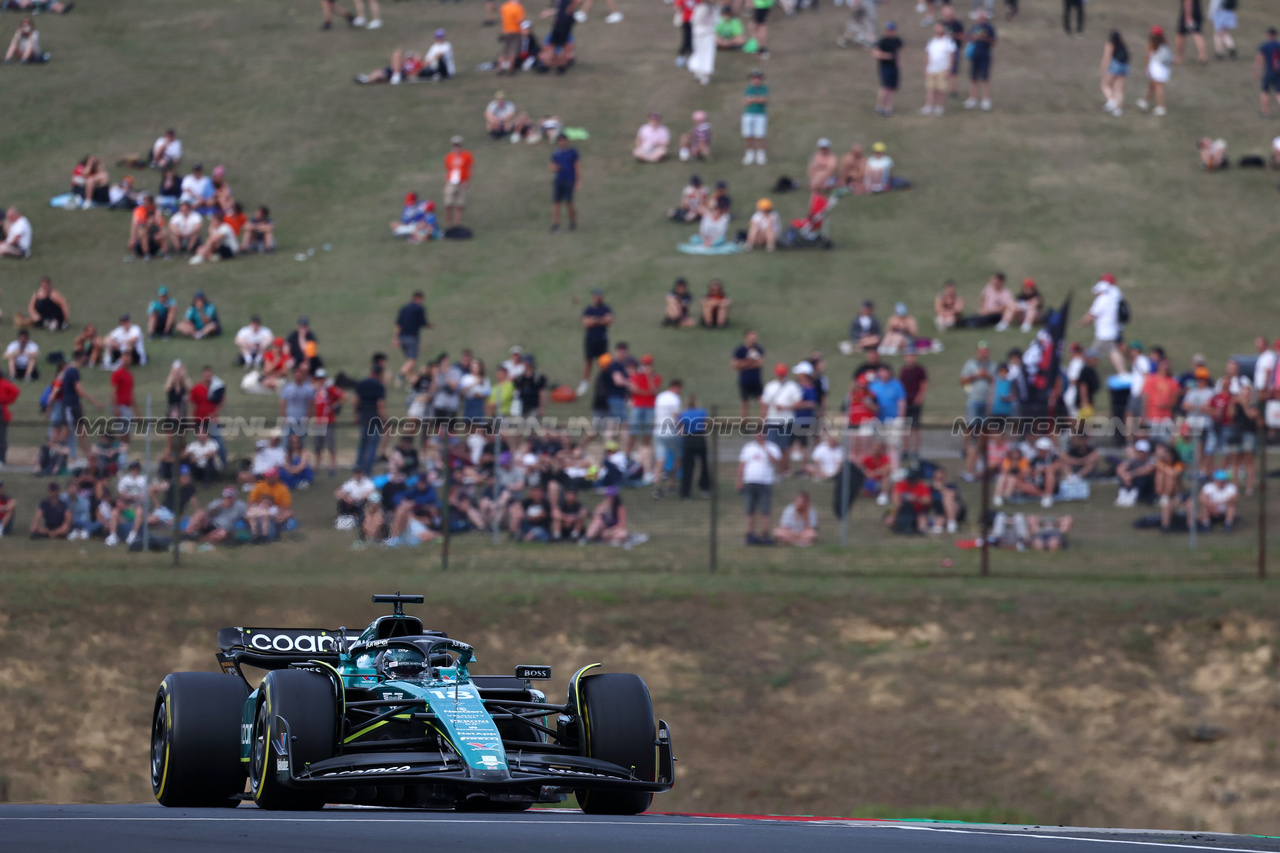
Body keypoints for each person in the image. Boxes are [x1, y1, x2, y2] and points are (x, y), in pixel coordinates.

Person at [1077, 273, 1126, 374]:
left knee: (1091, 354)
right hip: (1113, 331)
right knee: (1113, 352)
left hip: (1103, 334)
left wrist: (1081, 323)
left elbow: (1091, 315)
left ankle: (1086, 374)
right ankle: (1123, 373)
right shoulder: (1114, 297)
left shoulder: (1102, 300)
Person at [737, 431, 780, 544]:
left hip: (765, 482)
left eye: (761, 434)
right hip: (750, 481)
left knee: (765, 509)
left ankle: (765, 533)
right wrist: (739, 480)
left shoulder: (772, 447)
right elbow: (742, 465)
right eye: (757, 434)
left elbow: (775, 462)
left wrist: (765, 448)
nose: (759, 436)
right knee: (749, 509)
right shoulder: (748, 447)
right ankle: (750, 533)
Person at [354, 364, 387, 475]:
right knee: (372, 446)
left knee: (362, 444)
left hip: (364, 417)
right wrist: (384, 418)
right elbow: (380, 404)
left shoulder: (362, 383)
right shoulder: (379, 386)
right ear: (380, 374)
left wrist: (355, 415)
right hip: (375, 419)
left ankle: (358, 467)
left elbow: (356, 400)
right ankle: (367, 470)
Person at [578, 286, 610, 396]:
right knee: (588, 362)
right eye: (596, 295)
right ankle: (584, 383)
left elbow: (609, 320)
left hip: (602, 339)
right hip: (590, 339)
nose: (598, 297)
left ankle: (604, 382)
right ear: (593, 297)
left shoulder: (606, 308)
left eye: (600, 295)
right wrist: (599, 320)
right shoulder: (588, 309)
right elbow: (586, 323)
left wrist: (595, 320)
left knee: (604, 363)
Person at [394, 291, 430, 386]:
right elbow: (423, 322)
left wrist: (396, 338)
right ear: (420, 298)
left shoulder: (404, 308)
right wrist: (429, 325)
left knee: (410, 363)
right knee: (412, 360)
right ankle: (400, 374)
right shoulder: (419, 308)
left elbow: (398, 324)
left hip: (402, 338)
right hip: (412, 338)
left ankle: (412, 384)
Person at [964, 8, 997, 111]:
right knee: (973, 78)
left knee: (985, 78)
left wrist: (985, 38)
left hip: (985, 56)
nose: (980, 18)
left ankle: (986, 100)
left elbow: (994, 42)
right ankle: (972, 99)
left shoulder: (989, 28)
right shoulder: (974, 27)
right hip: (974, 56)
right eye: (979, 16)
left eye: (982, 16)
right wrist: (974, 37)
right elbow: (967, 38)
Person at [922, 21, 957, 116]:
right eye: (937, 27)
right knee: (930, 88)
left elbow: (951, 55)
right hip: (931, 68)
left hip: (942, 68)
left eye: (940, 27)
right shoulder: (932, 41)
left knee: (940, 89)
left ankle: (939, 107)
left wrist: (949, 69)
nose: (938, 29)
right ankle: (929, 106)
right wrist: (925, 67)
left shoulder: (948, 41)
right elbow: (927, 54)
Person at [1138, 26, 1173, 116]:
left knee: (1158, 86)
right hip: (1165, 68)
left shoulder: (1152, 43)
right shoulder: (1164, 43)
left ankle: (1161, 107)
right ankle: (1146, 101)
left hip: (1157, 67)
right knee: (1152, 85)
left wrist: (1146, 67)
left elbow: (1147, 56)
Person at [550, 133, 580, 234]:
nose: (562, 142)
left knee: (569, 203)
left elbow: (577, 168)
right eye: (560, 140)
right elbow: (551, 167)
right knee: (556, 203)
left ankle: (573, 221)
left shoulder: (572, 152)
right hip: (559, 180)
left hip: (569, 180)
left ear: (567, 141)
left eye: (564, 140)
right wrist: (555, 168)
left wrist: (577, 182)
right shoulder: (556, 153)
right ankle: (556, 224)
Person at [873, 21, 903, 117]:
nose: (891, 32)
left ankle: (888, 108)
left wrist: (899, 60)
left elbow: (900, 50)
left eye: (892, 30)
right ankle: (880, 106)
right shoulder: (882, 41)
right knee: (885, 88)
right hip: (885, 67)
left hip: (894, 67)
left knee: (892, 89)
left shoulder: (897, 40)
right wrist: (886, 55)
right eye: (889, 30)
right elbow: (875, 53)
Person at [732, 330, 765, 418]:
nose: (754, 339)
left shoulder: (758, 349)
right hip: (744, 379)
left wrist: (743, 364)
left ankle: (763, 422)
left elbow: (759, 363)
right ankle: (744, 421)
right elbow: (735, 365)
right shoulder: (740, 350)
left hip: (756, 379)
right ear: (746, 337)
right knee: (744, 401)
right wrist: (749, 362)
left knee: (761, 400)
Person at [443, 136, 472, 230]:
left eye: (458, 145)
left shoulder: (466, 155)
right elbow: (447, 170)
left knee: (460, 204)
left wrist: (467, 181)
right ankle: (449, 224)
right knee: (448, 204)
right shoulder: (449, 157)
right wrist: (445, 184)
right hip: (451, 182)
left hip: (462, 181)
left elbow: (469, 168)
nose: (456, 147)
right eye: (455, 145)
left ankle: (457, 224)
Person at [741, 69, 769, 165]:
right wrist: (757, 99)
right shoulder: (748, 89)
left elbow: (764, 100)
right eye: (754, 78)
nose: (756, 80)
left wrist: (753, 99)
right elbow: (745, 101)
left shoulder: (764, 88)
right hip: (748, 114)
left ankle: (760, 154)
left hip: (760, 115)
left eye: (758, 78)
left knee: (760, 135)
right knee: (748, 135)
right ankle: (749, 154)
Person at [687, 0, 718, 84]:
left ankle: (705, 74)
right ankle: (700, 71)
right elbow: (694, 20)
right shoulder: (701, 8)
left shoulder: (714, 9)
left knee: (707, 53)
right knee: (700, 52)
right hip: (700, 34)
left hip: (707, 34)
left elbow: (716, 22)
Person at [1256, 28, 1280, 118]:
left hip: (1269, 72)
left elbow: (1260, 60)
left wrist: (1257, 71)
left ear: (1268, 35)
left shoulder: (1265, 46)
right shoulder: (1279, 45)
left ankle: (1266, 113)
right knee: (1278, 93)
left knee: (1264, 91)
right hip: (1279, 72)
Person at [497, 0, 526, 73]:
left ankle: (500, 68)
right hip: (516, 32)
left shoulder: (505, 6)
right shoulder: (518, 7)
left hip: (506, 31)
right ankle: (510, 69)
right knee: (513, 51)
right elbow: (520, 21)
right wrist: (523, 32)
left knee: (504, 51)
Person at [1175, 0, 1207, 64]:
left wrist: (1188, 17)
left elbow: (1188, 1)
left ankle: (1178, 57)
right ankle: (1203, 56)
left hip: (1189, 13)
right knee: (1197, 33)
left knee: (1180, 34)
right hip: (1197, 11)